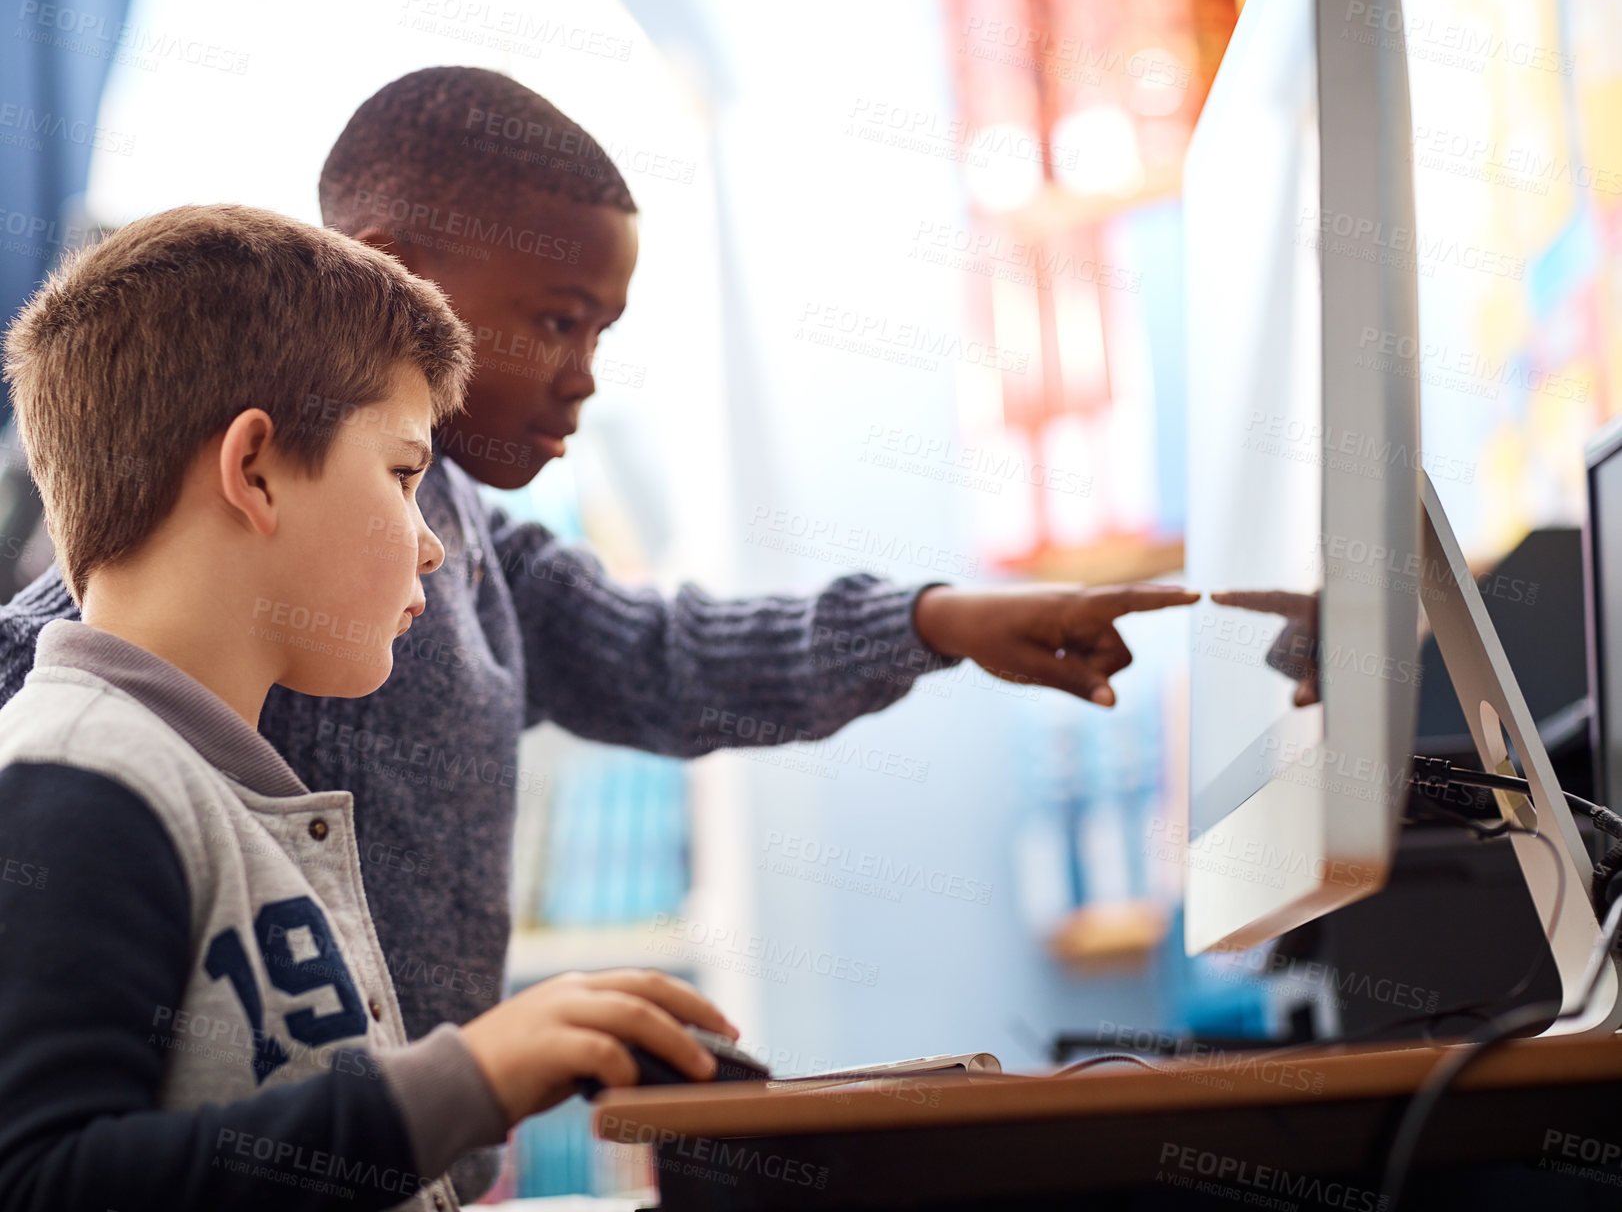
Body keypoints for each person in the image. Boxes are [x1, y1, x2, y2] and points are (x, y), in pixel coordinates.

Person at [0, 67, 1196, 1200]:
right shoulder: (191, 625)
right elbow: (89, 642)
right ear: (397, 272)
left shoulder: (465, 543)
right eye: (561, 320)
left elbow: (666, 659)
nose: (583, 376)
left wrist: (930, 623)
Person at [0, 203, 739, 1212]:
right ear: (254, 470)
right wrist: (462, 1082)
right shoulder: (80, 781)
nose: (429, 542)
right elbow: (44, 1182)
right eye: (402, 475)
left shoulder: (227, 793)